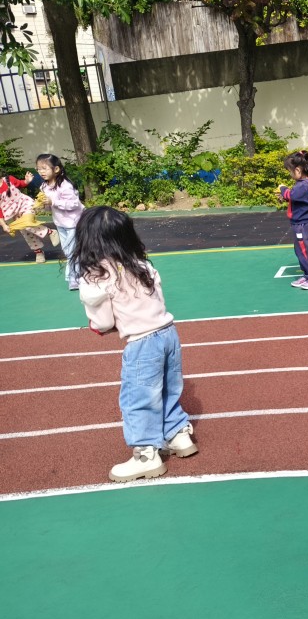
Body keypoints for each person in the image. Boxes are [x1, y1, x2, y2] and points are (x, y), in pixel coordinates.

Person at [71, 206, 198, 482]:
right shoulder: (141, 265)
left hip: (142, 343)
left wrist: (98, 326)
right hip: (168, 333)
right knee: (169, 388)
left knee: (138, 398)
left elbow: (103, 322)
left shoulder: (97, 276)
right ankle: (178, 435)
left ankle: (145, 455)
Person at [35, 154, 85, 289]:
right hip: (60, 223)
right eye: (39, 169)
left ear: (56, 169)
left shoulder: (65, 185)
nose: (41, 172)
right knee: (68, 250)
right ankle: (82, 272)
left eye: (44, 168)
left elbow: (73, 204)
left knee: (71, 250)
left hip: (74, 222)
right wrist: (42, 205)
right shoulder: (44, 187)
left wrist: (53, 201)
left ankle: (74, 278)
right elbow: (49, 206)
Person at [278, 149, 308, 290]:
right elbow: (298, 198)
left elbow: (291, 194)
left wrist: (282, 189)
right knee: (301, 249)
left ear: (298, 170)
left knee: (304, 250)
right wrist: (286, 197)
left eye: (290, 171)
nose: (290, 174)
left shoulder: (303, 184)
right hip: (304, 223)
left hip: (302, 224)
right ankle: (307, 275)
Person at [0, 172, 59, 263]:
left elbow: (21, 183)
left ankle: (50, 232)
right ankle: (39, 252)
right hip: (13, 214)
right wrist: (4, 225)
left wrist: (27, 181)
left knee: (27, 223)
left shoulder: (8, 179)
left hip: (25, 204)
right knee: (26, 232)